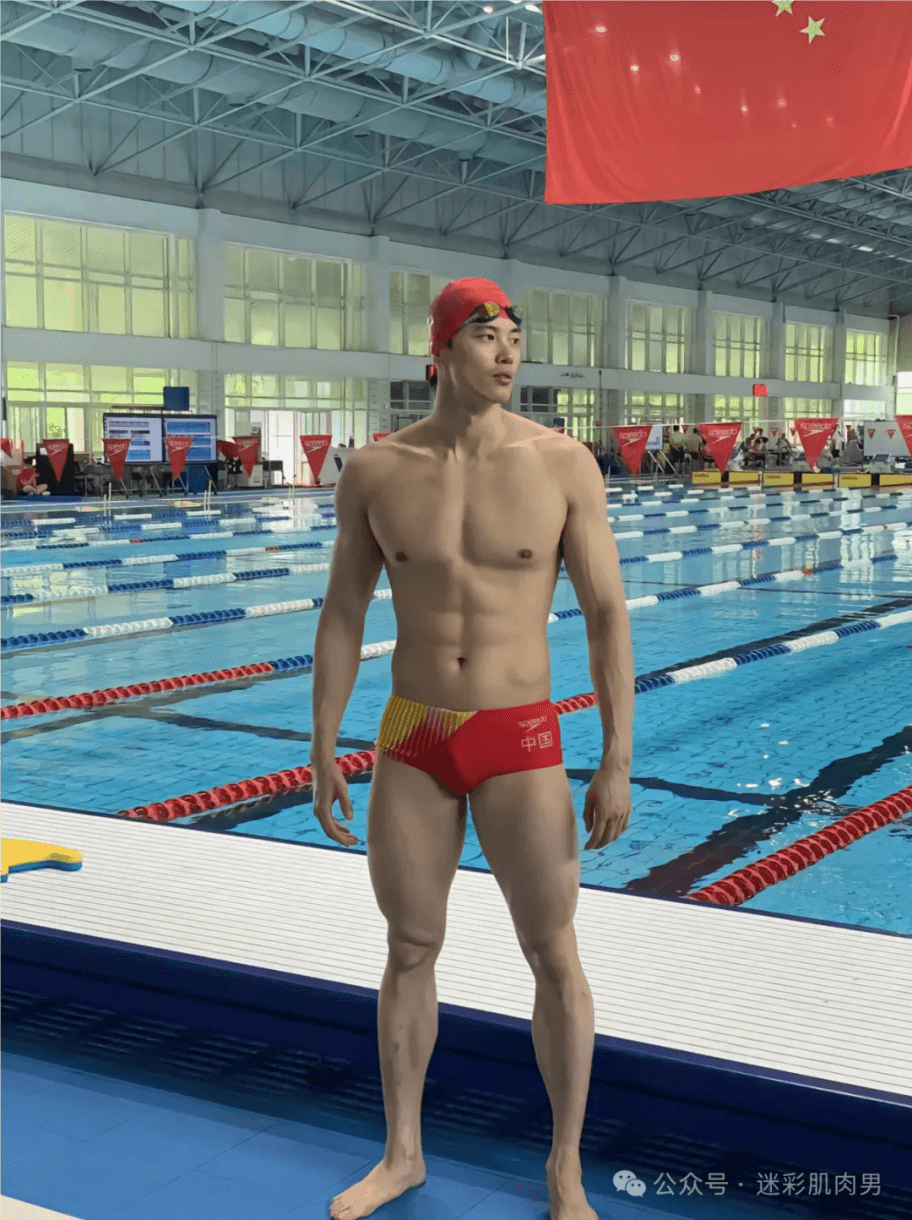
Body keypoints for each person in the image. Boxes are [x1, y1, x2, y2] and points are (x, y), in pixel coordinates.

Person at [310, 277, 634, 1220]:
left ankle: (564, 1168)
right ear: (442, 349)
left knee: (553, 952)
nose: (507, 352)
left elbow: (607, 614)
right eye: (487, 335)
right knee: (409, 947)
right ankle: (402, 1154)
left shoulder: (562, 464)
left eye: (515, 337)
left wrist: (616, 756)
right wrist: (323, 742)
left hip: (519, 735)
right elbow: (342, 612)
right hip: (413, 733)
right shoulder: (376, 471)